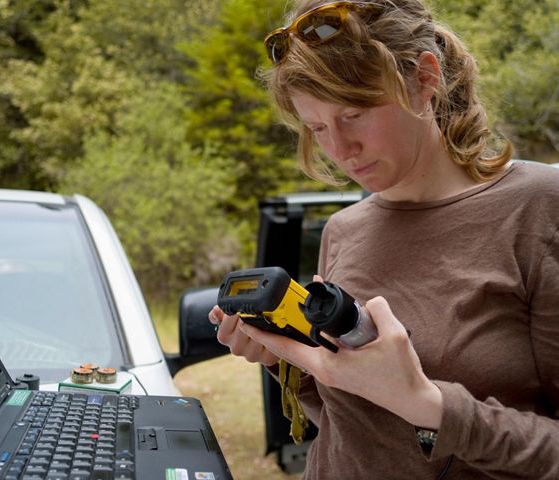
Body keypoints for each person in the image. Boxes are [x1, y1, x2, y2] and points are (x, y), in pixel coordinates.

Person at [208, 0, 559, 478]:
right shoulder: (344, 229)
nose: (338, 149)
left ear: (425, 79)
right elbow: (351, 425)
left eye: (353, 114)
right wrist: (287, 359)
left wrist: (426, 404)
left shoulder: (538, 208)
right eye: (316, 127)